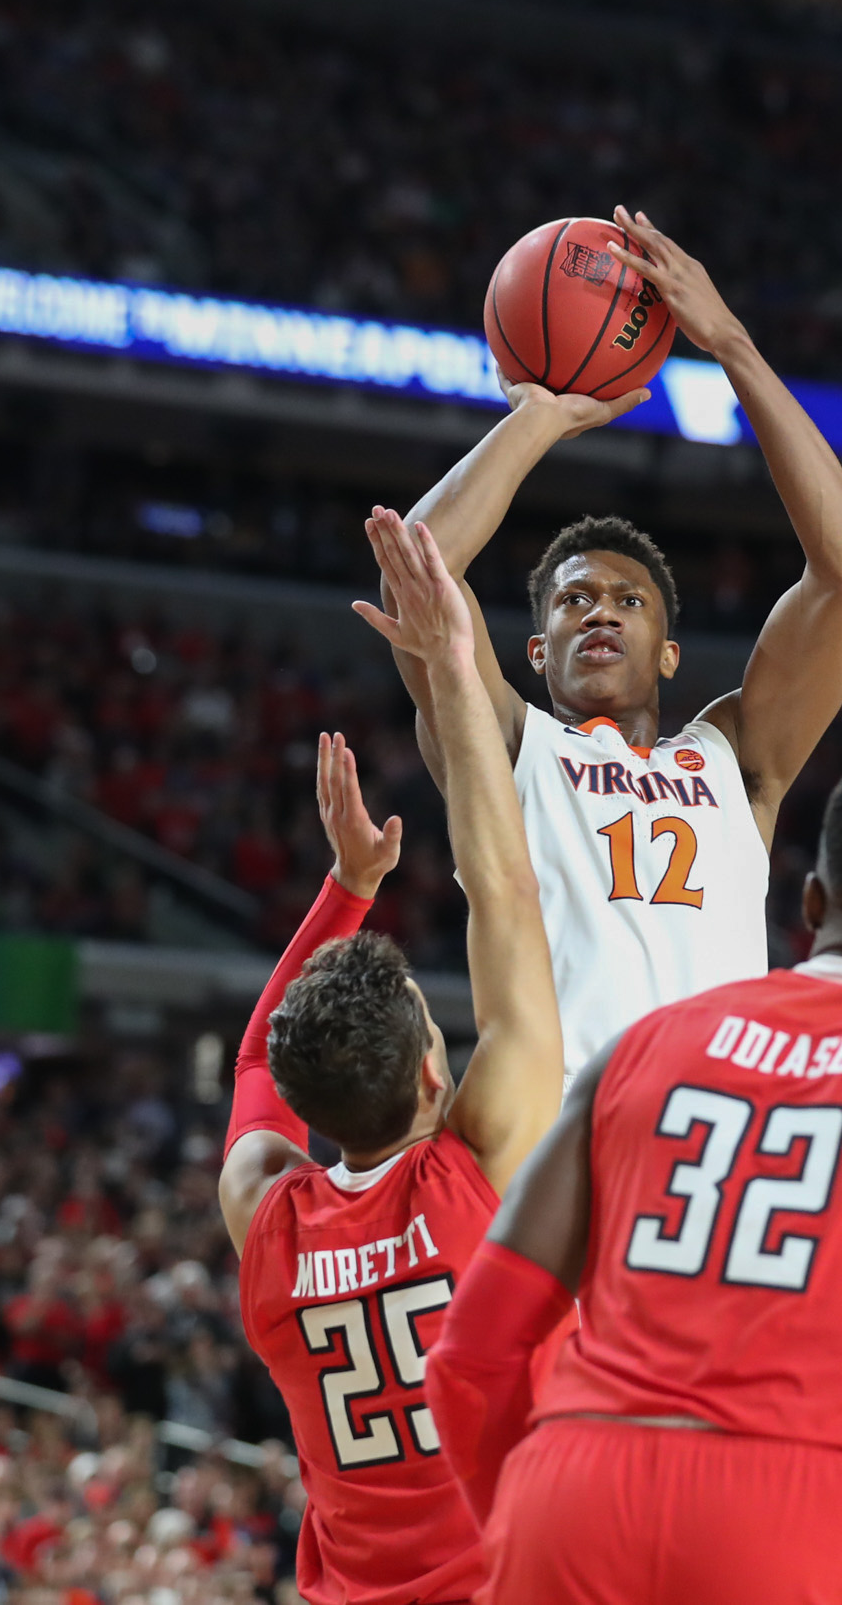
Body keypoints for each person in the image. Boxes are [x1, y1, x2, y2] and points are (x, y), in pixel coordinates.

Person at [425, 748, 842, 1605]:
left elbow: (471, 1349)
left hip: (569, 1499)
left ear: (813, 901)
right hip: (804, 1526)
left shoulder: (642, 1047)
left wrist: (526, 1521)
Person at [385, 205, 842, 1076]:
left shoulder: (738, 758)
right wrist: (541, 415)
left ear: (669, 651)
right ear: (536, 654)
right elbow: (414, 566)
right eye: (573, 601)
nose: (600, 611)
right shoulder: (503, 743)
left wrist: (732, 344)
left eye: (628, 600)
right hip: (557, 1147)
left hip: (703, 1148)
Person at [216, 509, 564, 1605]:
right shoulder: (472, 1176)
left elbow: (251, 1065)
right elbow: (505, 894)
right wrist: (459, 678)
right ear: (431, 1074)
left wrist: (346, 890)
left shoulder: (266, 1217)